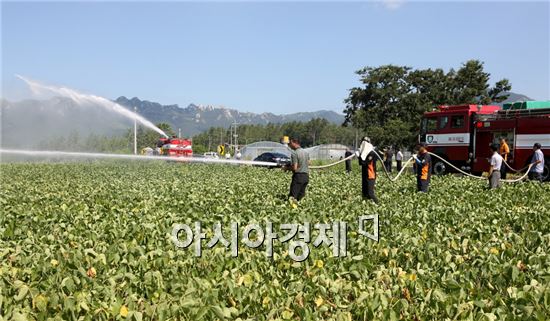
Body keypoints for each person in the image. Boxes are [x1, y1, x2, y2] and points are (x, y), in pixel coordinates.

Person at [358, 137, 378, 203]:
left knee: (370, 193)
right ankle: (366, 206)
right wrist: (359, 156)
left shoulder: (371, 153)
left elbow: (365, 163)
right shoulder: (364, 153)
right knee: (364, 193)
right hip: (365, 175)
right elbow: (361, 163)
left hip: (370, 175)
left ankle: (377, 204)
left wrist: (359, 157)